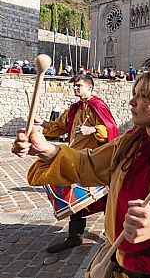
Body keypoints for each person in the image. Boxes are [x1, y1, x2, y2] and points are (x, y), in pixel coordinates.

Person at [12, 72, 150, 278]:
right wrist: (46, 149)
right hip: (119, 257)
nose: (132, 102)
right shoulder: (131, 141)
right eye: (134, 94)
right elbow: (87, 163)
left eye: (143, 97)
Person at [34, 74, 119, 253]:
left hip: (93, 160)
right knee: (75, 198)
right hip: (75, 158)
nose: (75, 88)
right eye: (74, 86)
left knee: (107, 200)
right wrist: (43, 123)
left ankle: (114, 236)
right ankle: (74, 237)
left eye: (79, 86)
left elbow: (111, 128)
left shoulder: (98, 106)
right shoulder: (74, 108)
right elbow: (60, 127)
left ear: (90, 87)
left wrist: (93, 129)